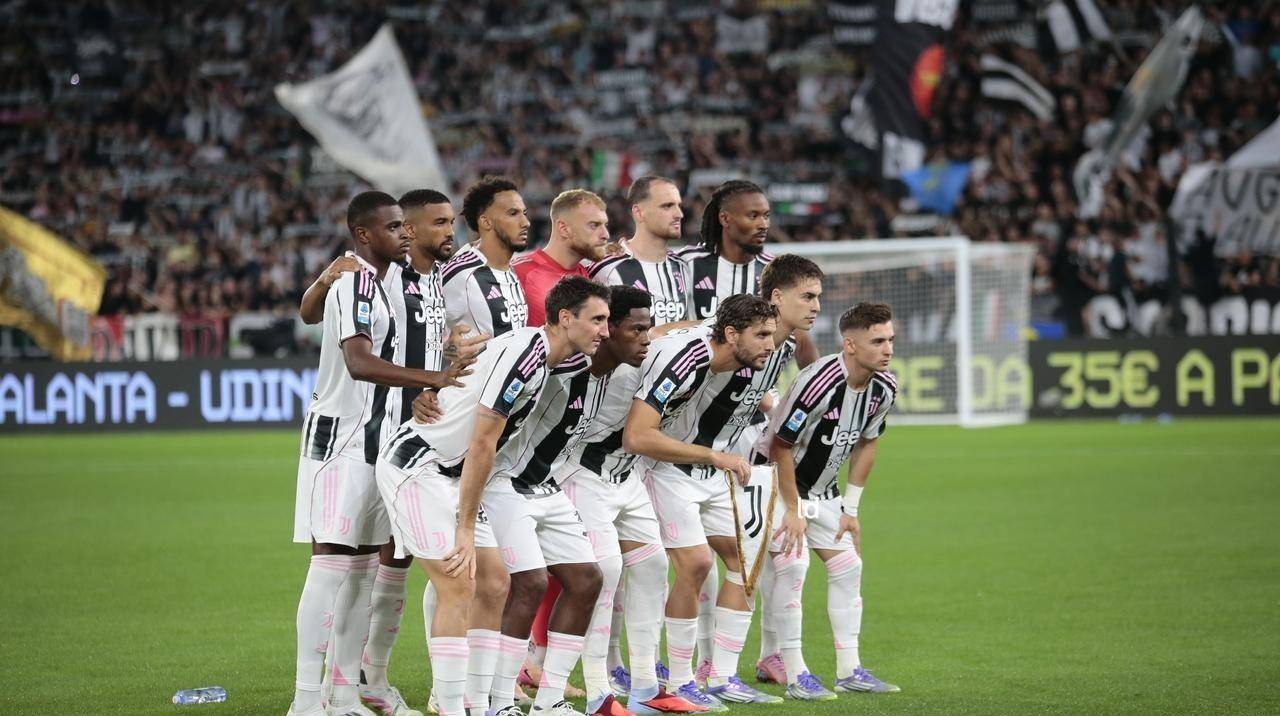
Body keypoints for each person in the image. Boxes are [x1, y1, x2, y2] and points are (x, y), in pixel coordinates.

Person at [297, 189, 488, 716]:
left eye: (405, 225)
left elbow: (401, 347)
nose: (404, 233)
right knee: (331, 568)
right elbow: (356, 358)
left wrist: (437, 370)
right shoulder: (359, 280)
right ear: (366, 234)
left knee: (364, 571)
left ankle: (345, 693)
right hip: (342, 439)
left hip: (387, 438)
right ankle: (306, 701)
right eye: (396, 226)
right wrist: (434, 378)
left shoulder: (399, 284)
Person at [452, 277, 613, 716]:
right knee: (529, 583)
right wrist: (466, 519)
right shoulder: (527, 354)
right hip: (499, 480)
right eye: (598, 320)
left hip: (541, 484)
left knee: (587, 579)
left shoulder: (560, 359)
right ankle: (498, 701)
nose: (606, 331)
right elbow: (483, 439)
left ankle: (549, 701)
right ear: (566, 318)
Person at [677, 181, 819, 671]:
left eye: (767, 215)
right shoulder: (685, 266)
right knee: (697, 560)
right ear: (724, 217)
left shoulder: (775, 274)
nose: (763, 223)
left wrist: (793, 399)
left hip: (747, 441)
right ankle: (701, 663)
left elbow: (801, 348)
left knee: (770, 552)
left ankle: (769, 656)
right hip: (689, 437)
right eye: (753, 215)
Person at [621, 294, 783, 711]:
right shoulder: (685, 360)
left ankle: (722, 677)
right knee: (694, 565)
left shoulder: (727, 348)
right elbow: (637, 436)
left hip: (708, 470)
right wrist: (713, 455)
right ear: (732, 334)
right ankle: (679, 680)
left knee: (745, 562)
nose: (770, 344)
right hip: (664, 468)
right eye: (762, 335)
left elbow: (695, 323)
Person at [556, 286, 706, 716]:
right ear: (608, 329)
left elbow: (674, 335)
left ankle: (644, 690)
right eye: (636, 330)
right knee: (605, 573)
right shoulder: (570, 370)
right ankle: (598, 694)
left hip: (628, 479)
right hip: (581, 477)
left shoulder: (646, 365)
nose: (646, 339)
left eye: (648, 329)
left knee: (654, 566)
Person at [757, 302, 901, 697]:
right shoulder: (818, 382)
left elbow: (868, 443)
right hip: (777, 483)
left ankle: (849, 670)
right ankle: (795, 674)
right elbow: (780, 445)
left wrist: (850, 509)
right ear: (850, 345)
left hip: (823, 493)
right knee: (794, 566)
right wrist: (792, 509)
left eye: (890, 340)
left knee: (848, 567)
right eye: (878, 341)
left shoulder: (884, 387)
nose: (888, 349)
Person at [510, 188, 610, 704]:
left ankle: (536, 665)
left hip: (564, 439)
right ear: (565, 228)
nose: (605, 234)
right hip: (513, 439)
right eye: (595, 225)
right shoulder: (525, 274)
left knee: (567, 566)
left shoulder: (590, 281)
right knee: (491, 570)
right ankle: (464, 680)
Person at [589, 176, 691, 326]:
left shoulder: (682, 267)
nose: (679, 214)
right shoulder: (606, 268)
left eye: (678, 205)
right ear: (639, 212)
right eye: (667, 206)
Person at [442, 176, 531, 337]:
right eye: (513, 213)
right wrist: (447, 347)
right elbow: (407, 325)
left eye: (524, 213)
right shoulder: (460, 273)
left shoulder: (512, 271)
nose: (526, 222)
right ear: (486, 222)